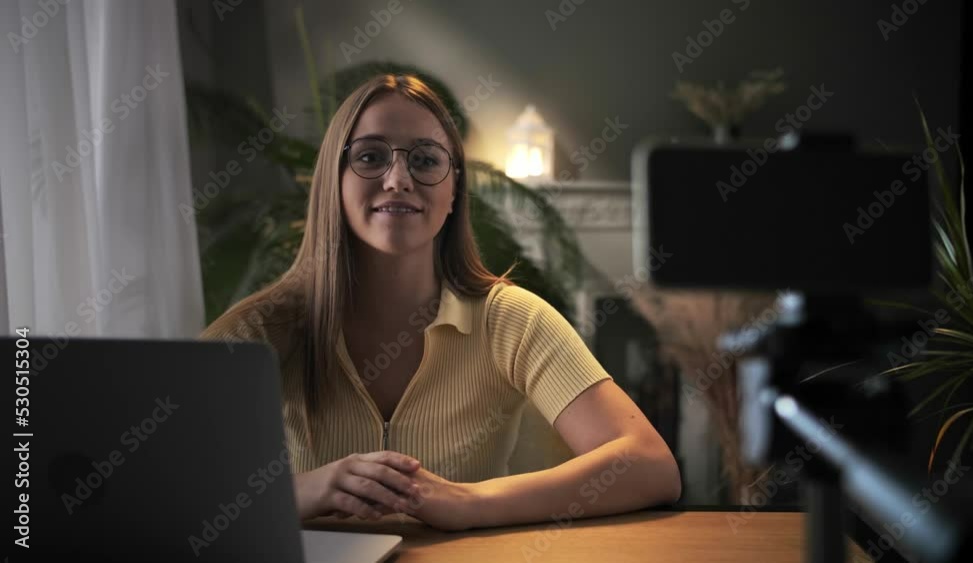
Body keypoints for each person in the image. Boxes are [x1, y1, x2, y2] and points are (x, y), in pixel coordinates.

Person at [199, 73, 681, 531]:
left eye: (426, 160)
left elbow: (651, 465)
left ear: (454, 192)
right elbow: (149, 485)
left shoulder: (514, 319)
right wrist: (302, 491)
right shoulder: (261, 329)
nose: (398, 179)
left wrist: (470, 501)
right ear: (335, 183)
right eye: (370, 157)